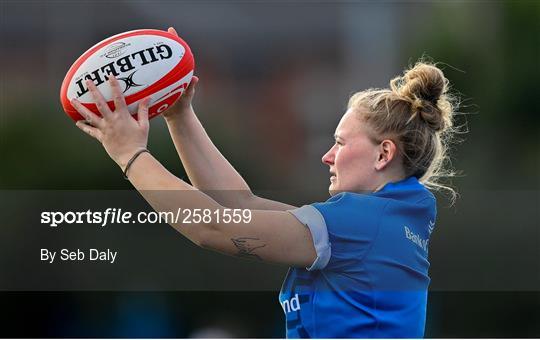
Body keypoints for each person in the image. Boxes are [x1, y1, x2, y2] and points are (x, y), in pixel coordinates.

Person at [72, 28, 459, 337]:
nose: (328, 155)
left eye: (339, 143)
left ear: (383, 154)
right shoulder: (382, 221)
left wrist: (130, 154)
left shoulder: (362, 223)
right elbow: (241, 205)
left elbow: (214, 227)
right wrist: (179, 115)